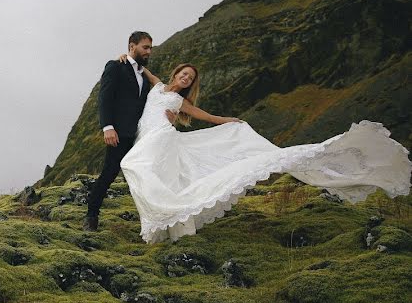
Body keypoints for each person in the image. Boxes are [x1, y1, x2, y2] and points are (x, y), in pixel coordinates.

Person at [118, 61, 412, 243]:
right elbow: (143, 69)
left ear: (191, 85)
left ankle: (169, 216)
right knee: (146, 171)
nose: (186, 79)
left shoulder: (180, 103)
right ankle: (167, 221)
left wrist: (229, 121)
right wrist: (127, 59)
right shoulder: (158, 90)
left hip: (162, 140)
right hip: (148, 138)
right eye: (184, 74)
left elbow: (206, 116)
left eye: (190, 79)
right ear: (176, 73)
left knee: (135, 165)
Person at [83, 31, 153, 231]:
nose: (148, 52)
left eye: (150, 48)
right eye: (145, 47)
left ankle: (150, 218)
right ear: (132, 46)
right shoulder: (115, 66)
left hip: (139, 134)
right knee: (109, 173)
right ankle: (91, 216)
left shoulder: (144, 75)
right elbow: (104, 98)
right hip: (119, 132)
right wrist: (108, 127)